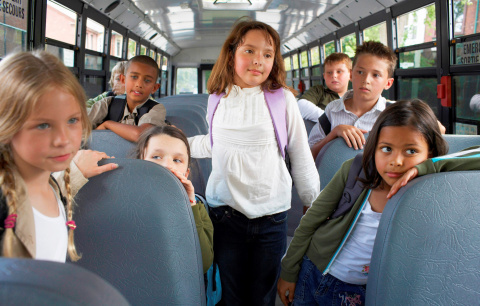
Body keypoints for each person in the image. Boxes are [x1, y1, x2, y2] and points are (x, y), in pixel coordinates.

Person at [188, 18, 319, 305]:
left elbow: (299, 151)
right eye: (249, 51)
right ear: (232, 53)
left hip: (271, 214)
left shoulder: (282, 99)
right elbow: (214, 144)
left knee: (262, 296)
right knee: (229, 296)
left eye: (267, 54)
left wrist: (311, 199)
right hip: (225, 213)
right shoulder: (217, 99)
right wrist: (175, 147)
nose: (258, 61)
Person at [277, 99, 448, 306]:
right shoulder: (356, 170)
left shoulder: (431, 189)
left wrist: (426, 168)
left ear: (430, 153)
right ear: (374, 147)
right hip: (314, 272)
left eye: (411, 151)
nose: (396, 161)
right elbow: (310, 220)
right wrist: (288, 271)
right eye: (386, 149)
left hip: (359, 292)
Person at [0, 51, 117, 262]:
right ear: (6, 127)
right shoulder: (5, 205)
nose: (63, 139)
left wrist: (77, 171)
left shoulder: (53, 187)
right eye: (43, 125)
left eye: (72, 120)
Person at [132, 125, 213, 274]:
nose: (167, 165)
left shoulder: (197, 208)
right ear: (140, 162)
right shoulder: (126, 203)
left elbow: (203, 263)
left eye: (177, 160)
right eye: (156, 157)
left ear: (186, 173)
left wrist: (189, 206)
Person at [308, 41, 396, 160]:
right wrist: (334, 133)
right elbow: (309, 155)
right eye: (360, 72)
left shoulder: (393, 115)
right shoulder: (332, 110)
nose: (366, 80)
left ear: (388, 83)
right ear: (350, 75)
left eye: (376, 75)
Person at [88, 55, 167, 142]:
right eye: (134, 77)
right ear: (123, 80)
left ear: (155, 88)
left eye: (147, 80)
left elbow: (140, 135)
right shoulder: (108, 103)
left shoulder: (156, 109)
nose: (139, 84)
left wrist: (107, 124)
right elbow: (80, 125)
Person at [298, 53, 352, 121]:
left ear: (350, 75)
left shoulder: (355, 98)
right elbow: (301, 105)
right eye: (329, 72)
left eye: (339, 71)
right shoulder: (318, 91)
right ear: (324, 76)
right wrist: (330, 120)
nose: (334, 75)